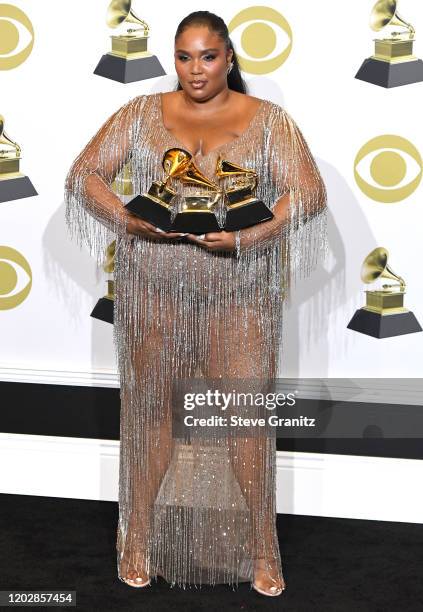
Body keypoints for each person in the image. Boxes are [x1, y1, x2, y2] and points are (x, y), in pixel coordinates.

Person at [64, 10, 327, 598]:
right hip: (153, 285)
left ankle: (263, 547)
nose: (195, 69)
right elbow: (87, 175)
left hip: (240, 287)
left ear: (229, 57)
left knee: (244, 418)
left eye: (207, 56)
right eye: (184, 57)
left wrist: (249, 236)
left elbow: (307, 190)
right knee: (152, 411)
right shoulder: (138, 114)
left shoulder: (269, 121)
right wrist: (129, 221)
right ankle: (135, 539)